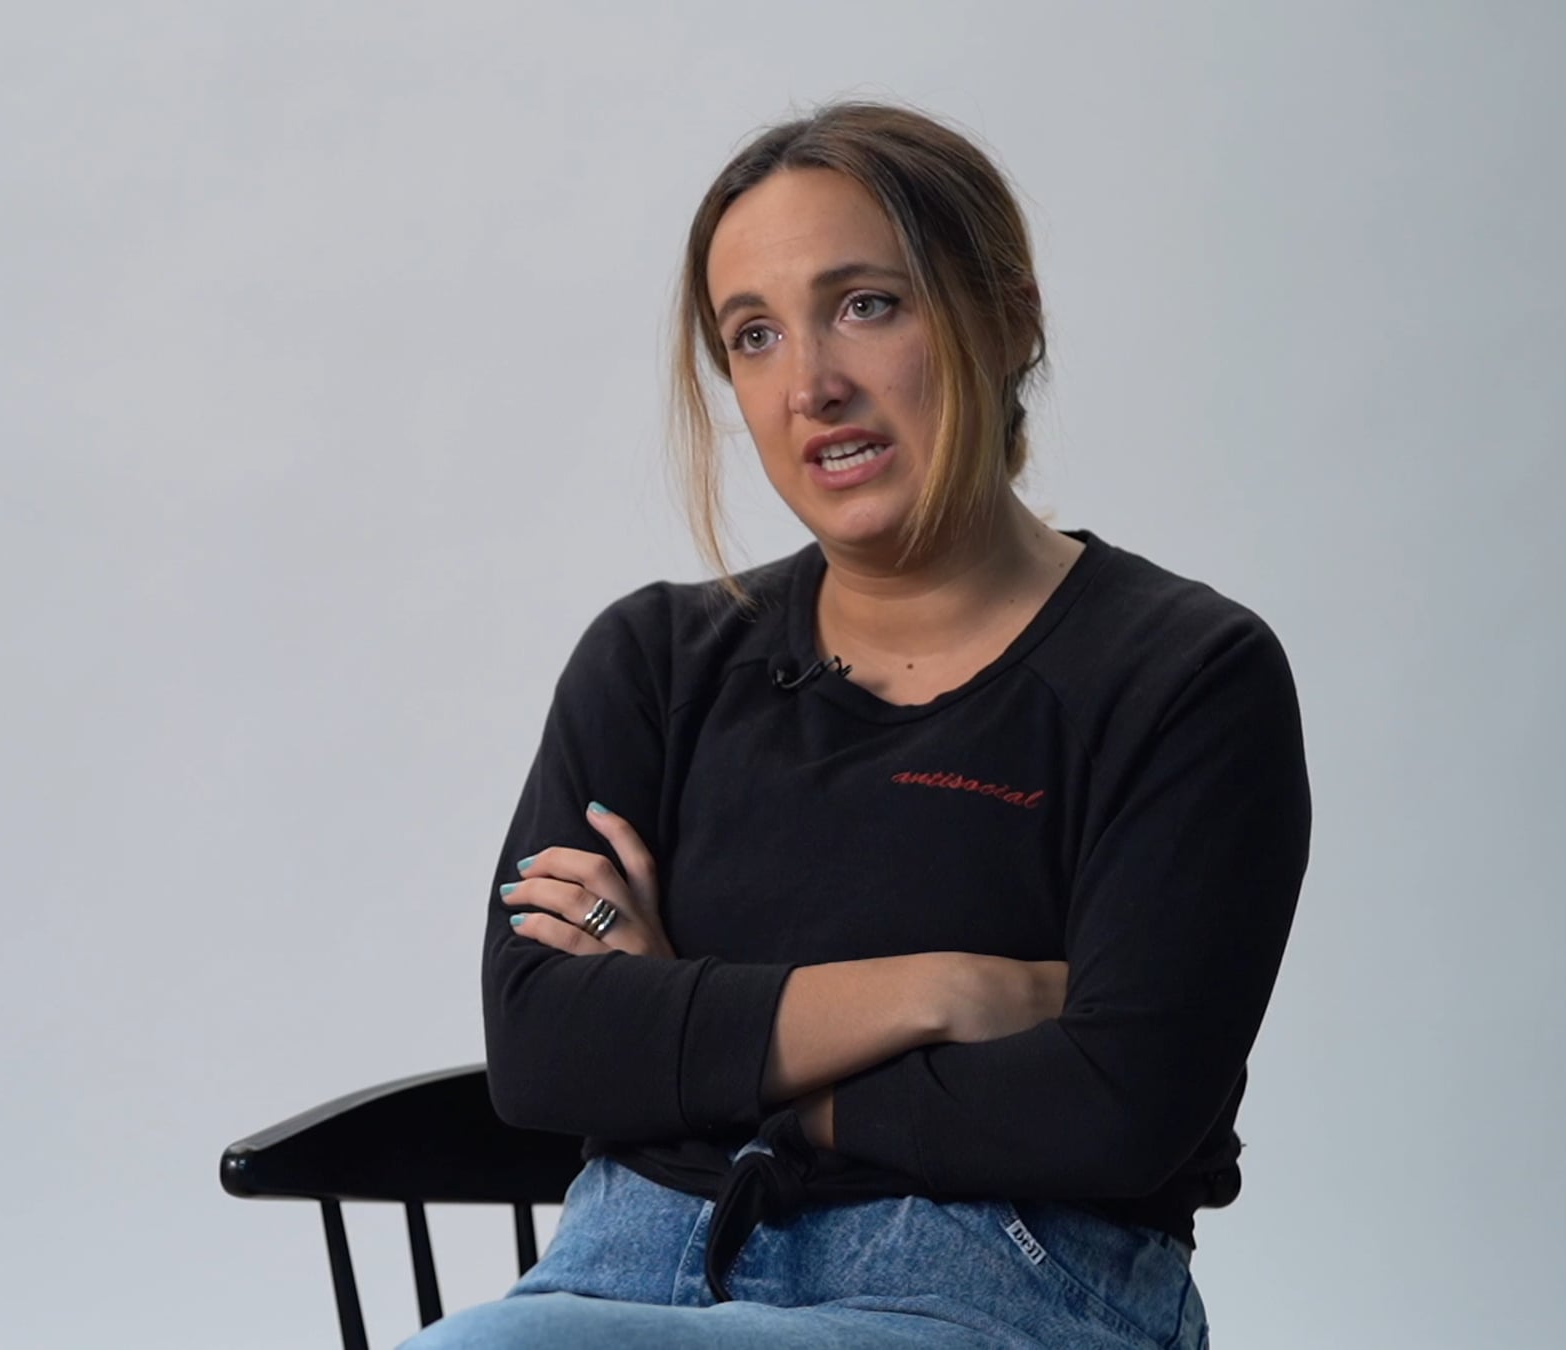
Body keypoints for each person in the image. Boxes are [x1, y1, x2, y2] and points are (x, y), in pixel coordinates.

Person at [403, 101, 1311, 1349]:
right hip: (617, 1274)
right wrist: (941, 992)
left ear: (1010, 318)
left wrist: (691, 1032)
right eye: (755, 335)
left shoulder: (1183, 676)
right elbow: (545, 1048)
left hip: (985, 1294)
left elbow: (1117, 1108)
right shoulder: (656, 662)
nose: (812, 385)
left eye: (867, 305)